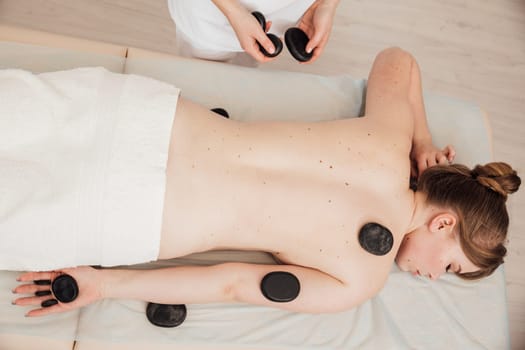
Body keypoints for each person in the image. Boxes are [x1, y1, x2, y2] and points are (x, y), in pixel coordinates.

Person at [9, 47, 520, 317]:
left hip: (144, 120)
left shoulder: (390, 136)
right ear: (444, 222)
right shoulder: (360, 280)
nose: (434, 277)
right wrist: (103, 284)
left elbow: (398, 60)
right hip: (131, 210)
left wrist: (420, 139)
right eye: (450, 265)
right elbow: (232, 284)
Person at [168, 0, 341, 64]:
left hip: (283, 13)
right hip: (211, 16)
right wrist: (232, 10)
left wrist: (328, 3)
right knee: (204, 76)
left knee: (246, 68)